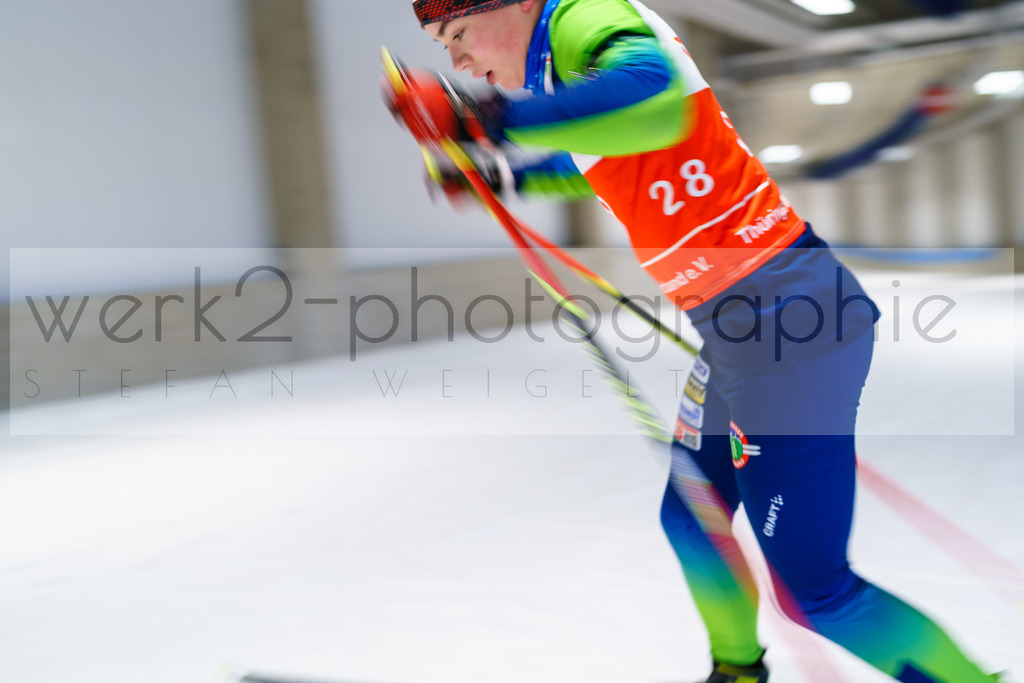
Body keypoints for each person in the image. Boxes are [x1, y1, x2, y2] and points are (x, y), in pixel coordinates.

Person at [391, 1, 1003, 681]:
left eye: (458, 36)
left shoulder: (581, 18)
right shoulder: (562, 73)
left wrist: (481, 118)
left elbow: (653, 101)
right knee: (694, 518)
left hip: (789, 325)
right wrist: (508, 174)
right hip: (740, 333)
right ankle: (738, 670)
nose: (460, 63)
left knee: (814, 594)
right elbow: (607, 151)